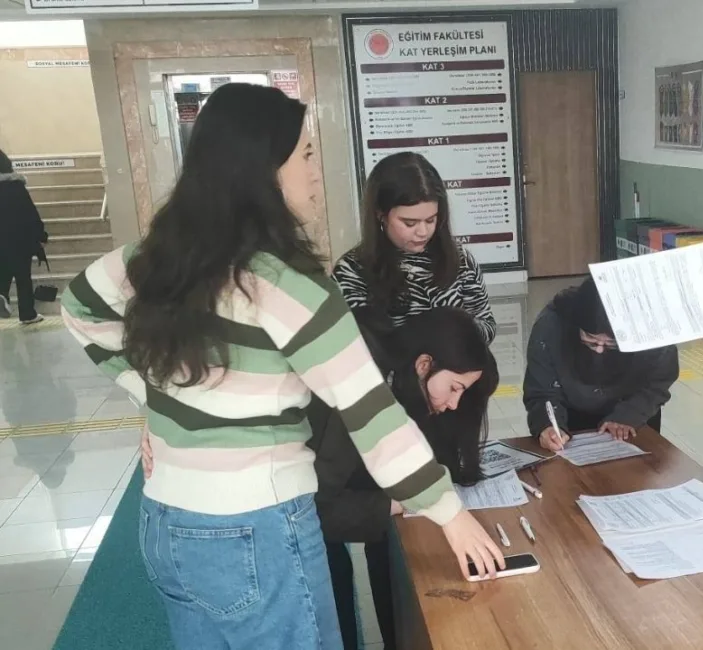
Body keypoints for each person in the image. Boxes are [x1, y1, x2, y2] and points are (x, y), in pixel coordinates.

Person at [60, 83, 502, 650]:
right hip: (257, 528)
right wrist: (451, 514)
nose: (317, 173)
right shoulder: (288, 286)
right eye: (307, 156)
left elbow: (79, 309)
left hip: (166, 521)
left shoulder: (158, 257)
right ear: (264, 170)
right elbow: (372, 414)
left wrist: (149, 396)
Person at [308, 307, 498, 650]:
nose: (455, 404)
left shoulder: (392, 374)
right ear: (424, 365)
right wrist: (398, 504)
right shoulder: (362, 386)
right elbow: (314, 512)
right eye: (454, 388)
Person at [333, 151, 496, 343]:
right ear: (380, 214)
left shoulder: (460, 260)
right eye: (410, 223)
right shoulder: (352, 271)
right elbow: (352, 346)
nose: (423, 232)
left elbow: (487, 323)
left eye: (431, 220)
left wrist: (455, 338)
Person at [524, 277, 678, 451]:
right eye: (590, 339)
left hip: (633, 413)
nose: (599, 350)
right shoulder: (552, 324)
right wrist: (547, 425)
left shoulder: (651, 330)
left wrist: (629, 415)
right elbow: (541, 390)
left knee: (640, 472)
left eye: (611, 344)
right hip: (570, 415)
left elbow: (658, 382)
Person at [0, 148, 46, 324]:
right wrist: (41, 234)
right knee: (23, 276)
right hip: (20, 239)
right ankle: (27, 314)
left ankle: (2, 294)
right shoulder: (15, 186)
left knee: (3, 270)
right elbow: (30, 213)